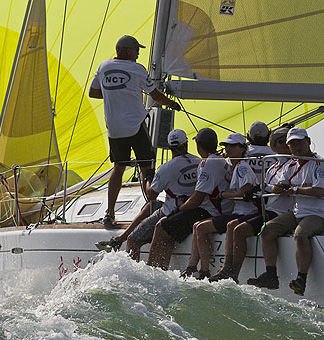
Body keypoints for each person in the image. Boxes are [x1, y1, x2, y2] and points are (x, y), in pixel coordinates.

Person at [89, 35, 181, 228]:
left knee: (118, 167)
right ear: (127, 50)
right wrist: (172, 104)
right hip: (136, 125)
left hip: (114, 128)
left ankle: (109, 213)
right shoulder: (137, 69)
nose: (138, 53)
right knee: (146, 166)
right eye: (136, 50)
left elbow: (94, 92)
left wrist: (114, 94)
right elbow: (155, 95)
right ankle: (150, 207)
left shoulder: (103, 66)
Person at [247, 127, 324, 296]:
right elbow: (281, 183)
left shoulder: (319, 164)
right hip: (297, 211)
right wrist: (279, 187)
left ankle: (301, 279)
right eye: (292, 144)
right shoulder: (291, 165)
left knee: (300, 235)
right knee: (267, 229)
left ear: (308, 141)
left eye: (300, 142)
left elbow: (319, 192)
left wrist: (294, 190)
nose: (297, 147)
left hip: (318, 213)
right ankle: (271, 274)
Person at [96, 129, 201, 260]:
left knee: (133, 240)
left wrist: (148, 178)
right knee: (149, 207)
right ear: (186, 144)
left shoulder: (165, 169)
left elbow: (151, 195)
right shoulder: (199, 162)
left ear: (169, 148)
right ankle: (119, 238)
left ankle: (132, 272)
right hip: (195, 209)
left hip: (172, 212)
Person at [209, 127, 295, 283]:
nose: (288, 144)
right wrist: (260, 188)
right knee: (232, 226)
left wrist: (223, 195)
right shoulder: (273, 167)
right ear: (274, 145)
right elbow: (267, 187)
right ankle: (227, 269)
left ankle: (232, 273)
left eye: (290, 141)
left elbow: (284, 187)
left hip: (281, 212)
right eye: (282, 141)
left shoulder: (292, 165)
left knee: (239, 230)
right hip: (268, 209)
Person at [147, 128, 231, 271]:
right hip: (217, 208)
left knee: (161, 227)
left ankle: (155, 271)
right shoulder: (218, 159)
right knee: (166, 224)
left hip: (210, 211)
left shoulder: (207, 164)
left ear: (197, 145)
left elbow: (197, 199)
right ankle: (189, 266)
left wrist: (177, 210)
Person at [181, 132, 258, 279]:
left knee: (201, 228)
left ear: (242, 148)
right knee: (197, 226)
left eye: (232, 146)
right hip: (237, 211)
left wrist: (223, 195)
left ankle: (206, 270)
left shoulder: (242, 167)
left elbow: (245, 192)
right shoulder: (233, 165)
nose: (227, 149)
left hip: (245, 213)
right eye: (225, 145)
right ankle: (195, 267)